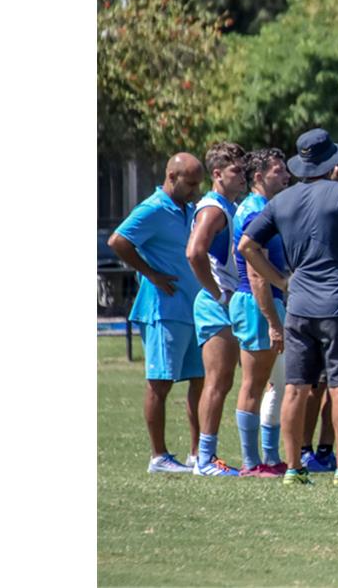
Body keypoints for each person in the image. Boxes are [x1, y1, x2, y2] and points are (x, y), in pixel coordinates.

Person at [239, 129, 338, 486]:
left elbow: (247, 246)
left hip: (298, 307)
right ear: (331, 162)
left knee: (295, 388)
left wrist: (280, 281)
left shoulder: (281, 201)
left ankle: (293, 469)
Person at [108, 153, 206, 474]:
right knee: (160, 383)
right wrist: (151, 273)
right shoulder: (152, 208)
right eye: (190, 183)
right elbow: (118, 240)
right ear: (171, 177)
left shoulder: (188, 209)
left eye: (197, 184)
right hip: (163, 309)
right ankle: (159, 457)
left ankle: (196, 454)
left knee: (198, 380)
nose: (194, 190)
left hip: (191, 307)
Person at [183, 142, 248, 477]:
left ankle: (204, 456)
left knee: (223, 381)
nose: (243, 177)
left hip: (224, 303)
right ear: (217, 173)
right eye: (236, 171)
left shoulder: (228, 205)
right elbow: (194, 253)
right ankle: (205, 459)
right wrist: (216, 292)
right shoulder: (213, 209)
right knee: (217, 381)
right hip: (215, 305)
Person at [232, 148, 292, 477]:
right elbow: (256, 275)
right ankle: (251, 462)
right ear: (258, 177)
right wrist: (272, 321)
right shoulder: (256, 213)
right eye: (278, 171)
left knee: (276, 383)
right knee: (254, 384)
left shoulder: (264, 209)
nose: (285, 176)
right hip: (257, 303)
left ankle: (269, 458)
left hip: (268, 301)